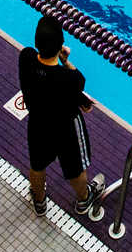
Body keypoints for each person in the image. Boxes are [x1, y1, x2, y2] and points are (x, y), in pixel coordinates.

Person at [18, 16, 101, 217]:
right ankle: (84, 199)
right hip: (66, 129)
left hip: (38, 124)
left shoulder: (26, 57)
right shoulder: (70, 78)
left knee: (37, 165)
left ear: (37, 42)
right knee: (75, 168)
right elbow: (77, 82)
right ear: (60, 46)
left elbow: (50, 82)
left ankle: (39, 201)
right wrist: (65, 60)